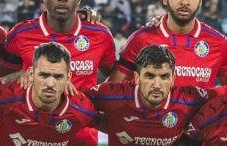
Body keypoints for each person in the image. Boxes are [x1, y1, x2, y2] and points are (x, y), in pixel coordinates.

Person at [0, 0, 115, 146]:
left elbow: (115, 80)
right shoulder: (20, 34)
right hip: (29, 136)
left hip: (80, 139)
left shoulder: (100, 35)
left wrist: (89, 103)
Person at [108, 0, 227, 87]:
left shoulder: (219, 43)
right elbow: (112, 90)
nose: (185, 2)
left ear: (200, 0)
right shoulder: (141, 39)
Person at [0, 42, 96, 145]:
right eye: (43, 75)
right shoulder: (4, 98)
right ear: (31, 74)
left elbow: (112, 126)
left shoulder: (82, 109)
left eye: (58, 77)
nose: (50, 83)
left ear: (68, 78)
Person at [88, 45, 217, 146]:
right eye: (150, 76)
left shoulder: (189, 99)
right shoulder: (110, 95)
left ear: (173, 79)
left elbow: (226, 95)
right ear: (137, 77)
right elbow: (74, 101)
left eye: (164, 77)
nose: (157, 84)